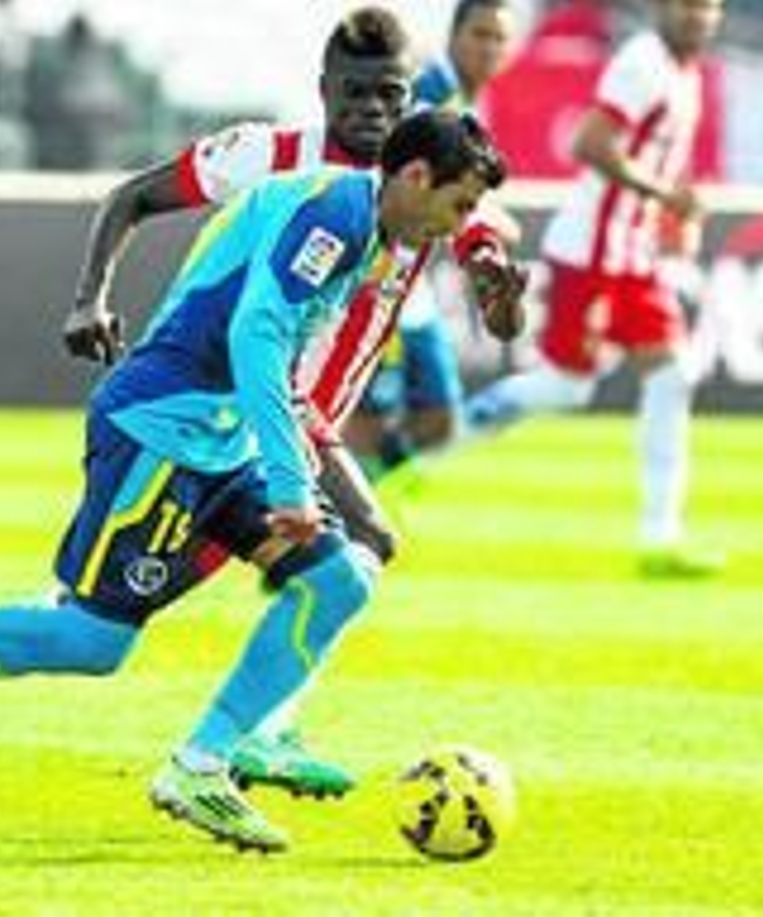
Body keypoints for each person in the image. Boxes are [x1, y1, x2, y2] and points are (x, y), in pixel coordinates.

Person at [0, 109, 509, 854]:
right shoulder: (335, 214)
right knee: (94, 638)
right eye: (458, 205)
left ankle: (201, 765)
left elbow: (276, 355)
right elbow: (255, 335)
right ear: (415, 176)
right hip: (159, 428)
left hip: (222, 442)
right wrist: (293, 481)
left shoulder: (371, 233)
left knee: (340, 578)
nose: (458, 227)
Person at [59, 6, 525, 798]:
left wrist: (499, 295)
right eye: (357, 94)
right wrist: (88, 297)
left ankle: (246, 739)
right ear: (324, 91)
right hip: (261, 417)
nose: (374, 111)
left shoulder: (423, 186)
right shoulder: (268, 158)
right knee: (106, 622)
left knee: (329, 567)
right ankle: (240, 741)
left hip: (290, 428)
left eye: (392, 95)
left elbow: (494, 286)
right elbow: (132, 198)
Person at [466, 0, 726, 578]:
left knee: (672, 373)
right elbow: (590, 143)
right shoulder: (643, 62)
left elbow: (657, 165)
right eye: (685, 6)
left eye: (708, 6)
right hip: (591, 252)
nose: (697, 16)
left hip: (631, 256)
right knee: (567, 388)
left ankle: (660, 538)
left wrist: (674, 216)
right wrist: (665, 197)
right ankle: (447, 433)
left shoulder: (687, 75)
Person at [344, 0, 517, 479]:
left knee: (439, 419)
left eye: (499, 38)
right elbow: (392, 166)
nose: (489, 48)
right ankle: (333, 515)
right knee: (362, 419)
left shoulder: (466, 105)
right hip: (375, 267)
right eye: (480, 35)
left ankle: (356, 492)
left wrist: (483, 220)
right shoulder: (429, 93)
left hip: (409, 281)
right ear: (454, 36)